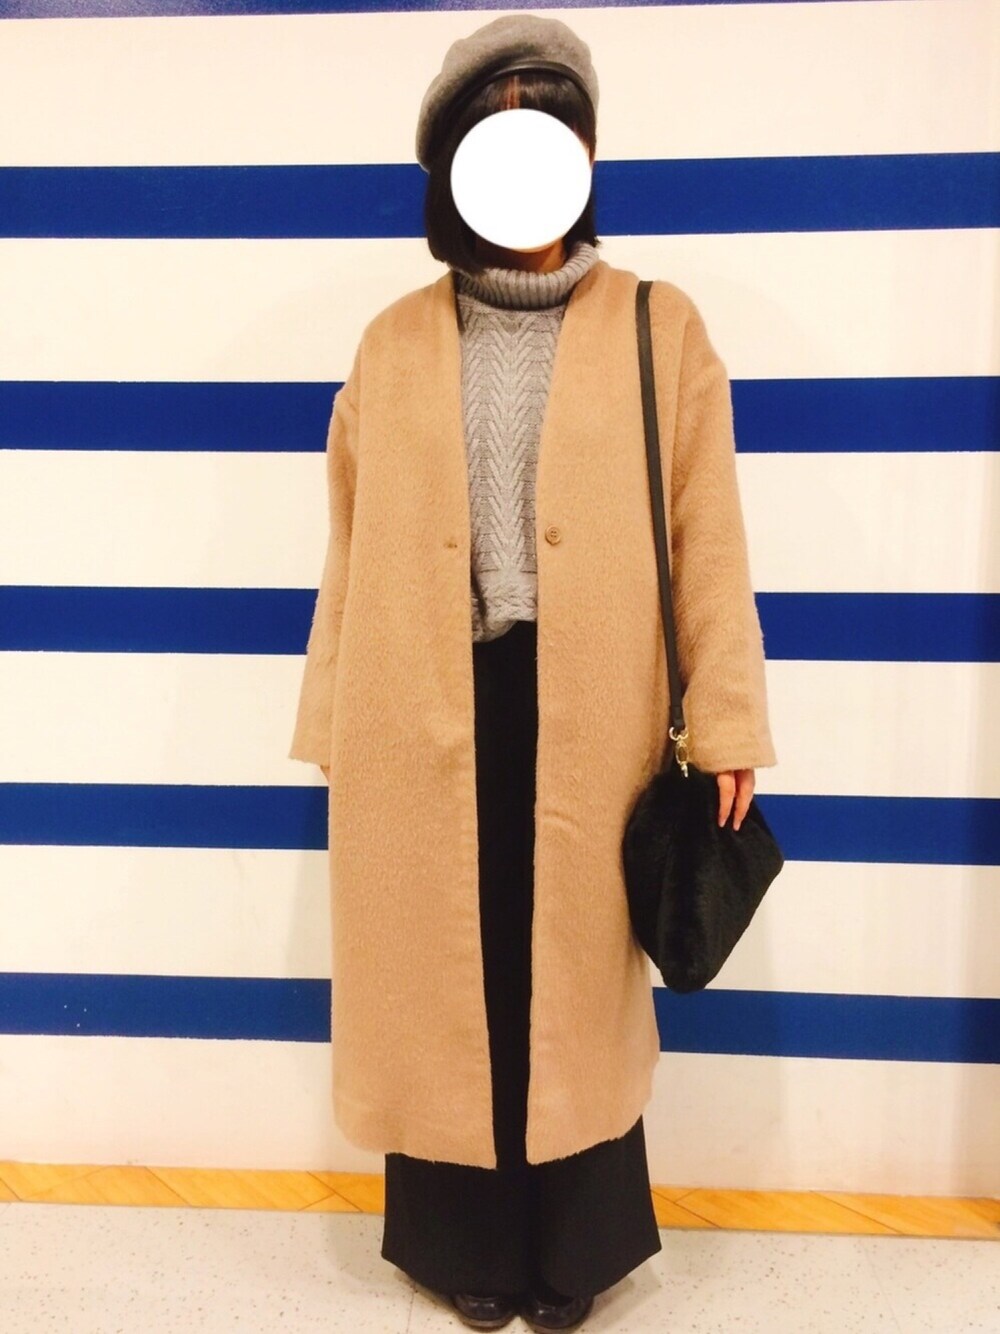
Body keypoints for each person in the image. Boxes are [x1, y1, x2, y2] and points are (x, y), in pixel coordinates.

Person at [291, 13, 777, 1333]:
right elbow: (347, 540)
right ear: (450, 171)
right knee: (444, 983)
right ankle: (462, 1242)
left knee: (568, 987)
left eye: (545, 135)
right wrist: (333, 722)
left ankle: (574, 1248)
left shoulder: (658, 328)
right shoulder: (393, 343)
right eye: (492, 140)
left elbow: (707, 533)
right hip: (421, 708)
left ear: (584, 157)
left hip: (597, 709)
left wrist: (728, 715)